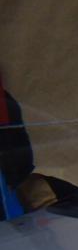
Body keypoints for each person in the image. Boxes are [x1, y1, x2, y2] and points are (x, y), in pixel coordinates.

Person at [0, 66, 35, 219]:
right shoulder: (6, 102)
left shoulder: (5, 105)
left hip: (7, 178)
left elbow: (15, 141)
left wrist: (14, 177)